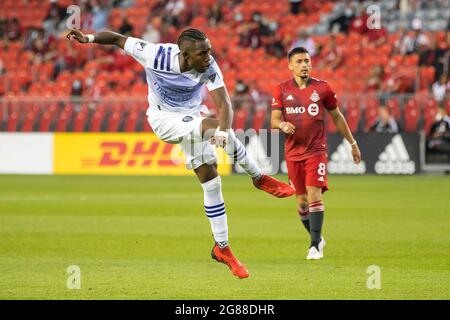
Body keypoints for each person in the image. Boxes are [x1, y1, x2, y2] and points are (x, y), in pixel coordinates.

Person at [67, 28, 295, 279]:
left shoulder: (209, 66)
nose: (209, 56)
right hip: (163, 119)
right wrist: (87, 38)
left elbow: (225, 104)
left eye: (209, 50)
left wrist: (223, 129)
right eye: (202, 53)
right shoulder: (155, 55)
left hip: (191, 115)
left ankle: (222, 249)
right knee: (216, 128)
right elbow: (118, 39)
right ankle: (258, 177)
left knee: (211, 180)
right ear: (185, 55)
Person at [271, 47, 361, 260]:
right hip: (293, 153)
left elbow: (337, 117)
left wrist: (353, 143)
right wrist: (282, 125)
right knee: (302, 202)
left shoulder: (323, 88)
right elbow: (273, 120)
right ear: (290, 65)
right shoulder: (282, 89)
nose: (304, 65)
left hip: (316, 151)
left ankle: (313, 246)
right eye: (300, 61)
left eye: (307, 61)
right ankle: (318, 238)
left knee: (314, 194)